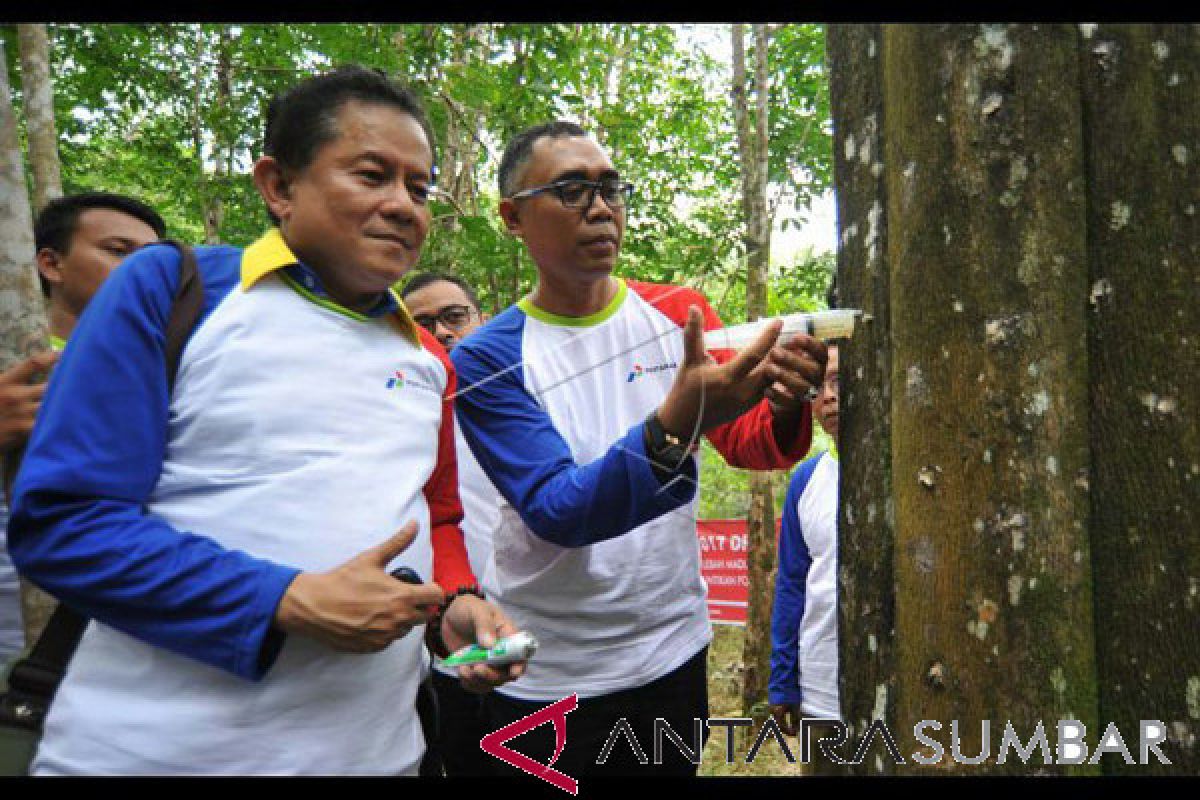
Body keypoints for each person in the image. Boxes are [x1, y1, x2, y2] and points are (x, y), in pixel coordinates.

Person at [8, 65, 523, 775]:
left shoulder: (427, 353)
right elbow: (65, 523)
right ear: (278, 186)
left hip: (379, 757)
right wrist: (285, 598)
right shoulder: (176, 290)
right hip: (152, 756)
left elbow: (434, 521)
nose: (404, 205)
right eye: (372, 175)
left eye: (420, 187)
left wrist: (454, 610)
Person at [449, 121, 828, 776]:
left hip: (668, 655)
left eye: (610, 188)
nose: (600, 208)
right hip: (547, 668)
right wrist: (674, 421)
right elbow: (558, 508)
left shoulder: (678, 314)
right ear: (513, 217)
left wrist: (786, 399)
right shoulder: (486, 358)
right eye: (571, 190)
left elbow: (750, 443)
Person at [0, 192, 165, 667]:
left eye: (153, 258)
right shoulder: (16, 353)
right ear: (51, 264)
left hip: (118, 625)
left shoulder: (167, 362)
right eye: (118, 250)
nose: (143, 270)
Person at [401, 271, 499, 776]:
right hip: (445, 642)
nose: (441, 332)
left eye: (454, 317)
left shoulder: (518, 402)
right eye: (422, 323)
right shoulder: (405, 417)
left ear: (480, 319)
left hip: (535, 634)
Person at [769, 342, 841, 749]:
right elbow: (792, 582)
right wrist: (783, 682)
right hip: (820, 687)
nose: (827, 396)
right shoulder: (806, 480)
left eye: (838, 381)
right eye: (816, 388)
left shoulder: (908, 474)